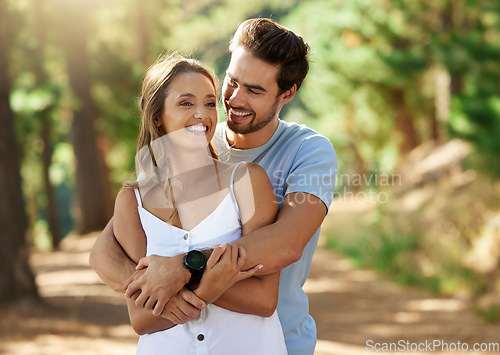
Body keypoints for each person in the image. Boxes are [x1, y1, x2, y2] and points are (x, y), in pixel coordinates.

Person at [90, 18, 337, 355]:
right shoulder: (194, 144)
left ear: (287, 93)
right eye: (232, 81)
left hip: (278, 338)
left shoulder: (308, 151)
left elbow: (286, 243)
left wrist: (183, 268)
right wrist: (146, 285)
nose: (233, 99)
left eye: (255, 90)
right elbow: (106, 247)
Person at [110, 53, 287, 354]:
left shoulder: (246, 181)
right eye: (186, 103)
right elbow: (141, 317)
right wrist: (210, 285)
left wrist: (178, 278)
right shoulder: (131, 201)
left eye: (209, 102)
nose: (202, 115)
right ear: (157, 117)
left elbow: (264, 299)